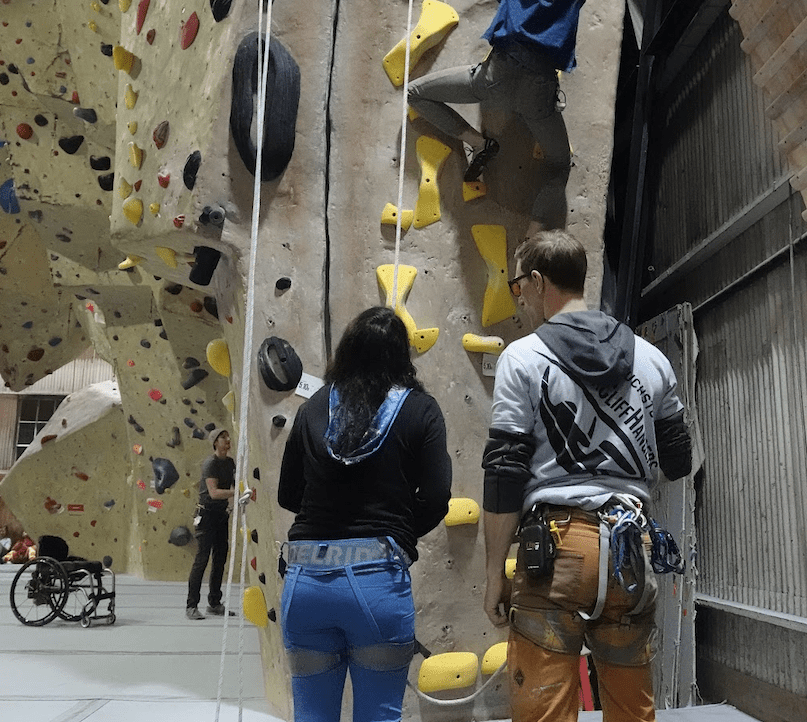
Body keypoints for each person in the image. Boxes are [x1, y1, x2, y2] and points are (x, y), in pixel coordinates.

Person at [481, 231, 693, 722]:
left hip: (555, 552)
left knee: (545, 711)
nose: (519, 298)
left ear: (536, 282)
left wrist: (494, 573)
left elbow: (504, 474)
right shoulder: (652, 358)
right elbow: (679, 460)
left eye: (518, 286)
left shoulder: (523, 356)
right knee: (631, 710)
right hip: (629, 552)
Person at [278, 306, 452, 722]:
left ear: (346, 351)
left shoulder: (313, 409)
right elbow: (437, 496)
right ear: (402, 356)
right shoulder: (421, 410)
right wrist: (400, 531)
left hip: (306, 584)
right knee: (379, 714)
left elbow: (289, 494)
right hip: (377, 585)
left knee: (311, 714)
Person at [407, 0, 592, 234]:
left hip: (497, 75)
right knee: (559, 165)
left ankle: (477, 143)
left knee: (416, 93)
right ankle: (532, 237)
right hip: (539, 90)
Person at [186, 428, 236, 619]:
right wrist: (235, 493)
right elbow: (214, 492)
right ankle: (191, 606)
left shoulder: (230, 463)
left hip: (220, 515)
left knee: (220, 559)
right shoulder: (210, 463)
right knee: (202, 559)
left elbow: (235, 484)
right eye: (223, 438)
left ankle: (214, 603)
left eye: (227, 437)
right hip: (206, 516)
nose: (227, 440)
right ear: (215, 442)